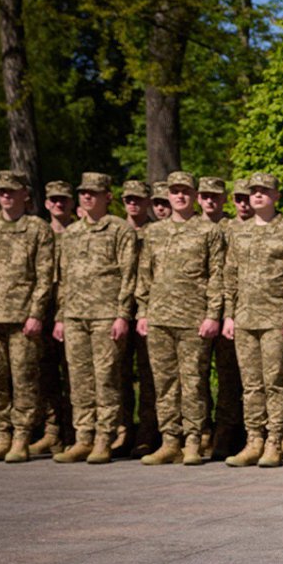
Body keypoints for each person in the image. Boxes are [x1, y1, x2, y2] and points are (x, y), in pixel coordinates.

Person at [135, 171, 226, 466]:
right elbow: (144, 275)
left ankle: (193, 440)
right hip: (159, 317)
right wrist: (143, 311)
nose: (179, 196)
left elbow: (217, 276)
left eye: (185, 191)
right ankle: (169, 440)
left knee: (193, 383)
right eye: (175, 191)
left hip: (193, 319)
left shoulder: (207, 231)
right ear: (168, 194)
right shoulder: (154, 232)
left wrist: (213, 315)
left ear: (195, 196)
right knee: (164, 384)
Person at [51, 173, 137, 465]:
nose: (87, 197)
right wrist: (61, 316)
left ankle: (105, 438)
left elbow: (129, 275)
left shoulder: (119, 230)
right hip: (75, 315)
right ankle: (83, 436)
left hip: (105, 315)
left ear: (107, 197)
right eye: (83, 193)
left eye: (94, 193)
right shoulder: (72, 233)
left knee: (106, 379)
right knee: (79, 379)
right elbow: (62, 279)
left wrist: (122, 314)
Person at [222, 172, 283, 468]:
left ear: (275, 196)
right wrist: (228, 315)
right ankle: (253, 439)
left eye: (264, 191)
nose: (257, 195)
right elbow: (229, 275)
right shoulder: (238, 232)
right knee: (251, 385)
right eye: (254, 191)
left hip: (276, 318)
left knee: (276, 384)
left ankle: (275, 441)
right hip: (244, 318)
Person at [0, 170, 53, 463]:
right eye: (1, 191)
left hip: (22, 318)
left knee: (24, 378)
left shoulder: (37, 229)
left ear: (24, 195)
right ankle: (0, 435)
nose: (5, 196)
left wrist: (36, 313)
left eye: (11, 191)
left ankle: (21, 437)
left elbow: (45, 277)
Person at [29, 180, 76, 455]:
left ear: (72, 204)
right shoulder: (38, 232)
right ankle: (51, 431)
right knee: (44, 373)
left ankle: (73, 433)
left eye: (64, 200)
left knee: (74, 375)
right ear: (46, 203)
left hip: (72, 312)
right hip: (41, 312)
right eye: (54, 200)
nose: (59, 204)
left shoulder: (79, 234)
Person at [201, 175, 242, 459]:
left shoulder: (233, 228)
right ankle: (200, 434)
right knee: (195, 379)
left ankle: (226, 436)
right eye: (205, 195)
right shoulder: (186, 228)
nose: (210, 200)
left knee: (229, 379)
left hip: (227, 312)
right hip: (193, 312)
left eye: (215, 196)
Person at [121, 179, 159, 458]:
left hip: (148, 313)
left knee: (150, 378)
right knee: (118, 377)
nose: (133, 204)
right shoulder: (115, 230)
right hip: (115, 313)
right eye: (128, 199)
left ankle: (147, 434)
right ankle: (122, 432)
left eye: (138, 199)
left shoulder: (156, 233)